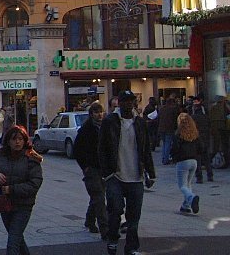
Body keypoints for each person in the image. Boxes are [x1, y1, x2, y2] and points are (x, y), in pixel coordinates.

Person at [98, 90, 156, 255]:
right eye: (125, 101)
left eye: (131, 101)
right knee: (115, 211)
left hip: (136, 176)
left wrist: (151, 173)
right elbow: (101, 148)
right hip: (115, 175)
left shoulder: (139, 122)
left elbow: (145, 150)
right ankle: (113, 238)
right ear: (119, 103)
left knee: (134, 217)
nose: (129, 104)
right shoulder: (110, 121)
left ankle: (131, 247)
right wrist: (107, 173)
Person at [0, 125, 43, 255]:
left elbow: (34, 184)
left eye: (20, 139)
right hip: (5, 205)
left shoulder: (31, 158)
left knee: (13, 241)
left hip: (23, 205)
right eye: (14, 139)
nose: (17, 142)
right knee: (17, 238)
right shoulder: (1, 156)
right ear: (8, 141)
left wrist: (11, 189)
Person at [74, 101, 108, 239]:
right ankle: (105, 229)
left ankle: (89, 220)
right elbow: (77, 150)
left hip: (104, 167)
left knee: (97, 196)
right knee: (99, 197)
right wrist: (85, 167)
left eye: (101, 112)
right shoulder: (86, 129)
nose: (99, 115)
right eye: (96, 112)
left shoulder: (106, 127)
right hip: (92, 168)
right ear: (91, 114)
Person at [172, 112, 202, 215]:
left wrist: (174, 157)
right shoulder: (195, 134)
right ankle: (186, 205)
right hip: (194, 161)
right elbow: (200, 147)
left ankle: (191, 197)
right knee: (188, 183)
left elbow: (175, 148)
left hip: (183, 161)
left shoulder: (178, 134)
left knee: (182, 185)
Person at [188, 94, 213, 183]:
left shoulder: (193, 117)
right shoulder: (205, 116)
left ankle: (199, 177)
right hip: (205, 138)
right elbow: (209, 125)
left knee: (197, 159)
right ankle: (210, 175)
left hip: (196, 139)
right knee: (206, 158)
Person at [157, 96, 180, 165]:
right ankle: (166, 159)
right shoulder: (173, 109)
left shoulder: (161, 109)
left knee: (164, 143)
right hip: (169, 128)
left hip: (161, 128)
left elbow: (158, 118)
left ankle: (164, 158)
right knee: (168, 143)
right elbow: (176, 119)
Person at [209, 96, 230, 168]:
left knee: (216, 145)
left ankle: (212, 160)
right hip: (223, 127)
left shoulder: (212, 107)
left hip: (215, 127)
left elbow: (210, 118)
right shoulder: (224, 107)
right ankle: (225, 161)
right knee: (224, 145)